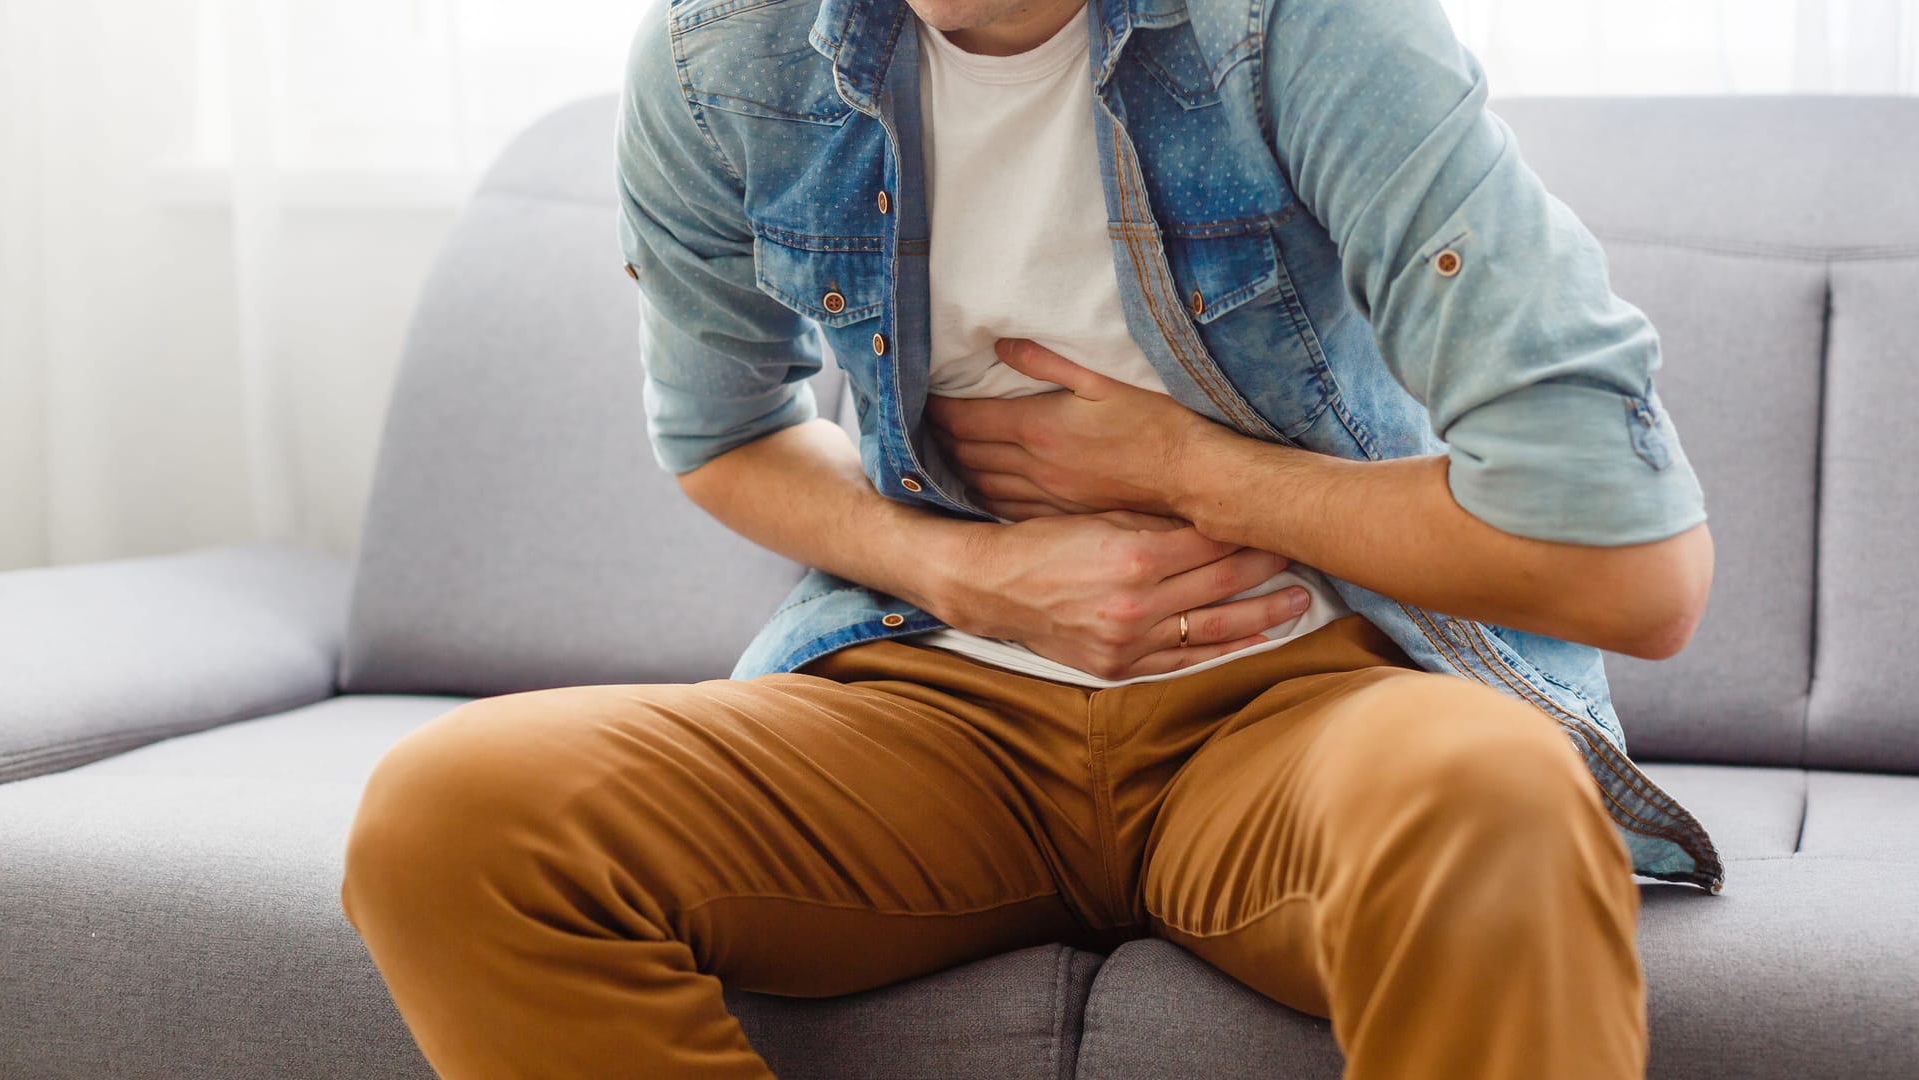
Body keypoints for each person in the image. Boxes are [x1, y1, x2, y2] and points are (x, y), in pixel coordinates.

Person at [339, 0, 1723, 1075]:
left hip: (1307, 705)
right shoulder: (725, 52)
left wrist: (1198, 472)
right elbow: (722, 434)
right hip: (935, 707)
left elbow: (1634, 570)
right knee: (454, 815)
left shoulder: (1304, 32)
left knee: (1496, 790)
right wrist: (971, 575)